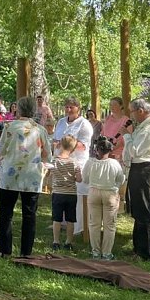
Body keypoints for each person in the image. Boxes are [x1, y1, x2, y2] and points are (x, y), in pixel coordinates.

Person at [0, 96, 52, 258]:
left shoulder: (10, 127)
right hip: (32, 176)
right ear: (33, 110)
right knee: (29, 215)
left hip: (10, 176)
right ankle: (26, 252)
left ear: (18, 109)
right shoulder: (40, 130)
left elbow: (0, 151)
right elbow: (47, 155)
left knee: (6, 214)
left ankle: (5, 250)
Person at [123, 98, 150, 261]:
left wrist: (127, 136)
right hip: (137, 169)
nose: (131, 115)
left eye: (132, 111)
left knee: (144, 212)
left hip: (145, 169)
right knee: (137, 210)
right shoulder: (143, 126)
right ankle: (137, 248)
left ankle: (146, 253)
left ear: (141, 111)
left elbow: (135, 150)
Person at [53, 96, 94, 236]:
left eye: (72, 107)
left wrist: (67, 144)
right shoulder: (61, 122)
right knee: (60, 193)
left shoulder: (84, 124)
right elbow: (54, 138)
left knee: (76, 195)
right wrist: (56, 144)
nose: (69, 110)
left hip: (77, 163)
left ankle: (77, 226)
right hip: (61, 162)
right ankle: (60, 222)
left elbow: (84, 146)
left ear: (78, 108)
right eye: (67, 107)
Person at [83, 136, 126, 260]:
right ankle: (107, 253)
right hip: (110, 193)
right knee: (109, 225)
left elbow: (85, 179)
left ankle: (95, 252)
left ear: (97, 150)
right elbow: (121, 179)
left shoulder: (90, 162)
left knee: (94, 224)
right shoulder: (114, 163)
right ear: (110, 150)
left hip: (94, 192)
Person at [50, 136, 82, 252]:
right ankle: (68, 241)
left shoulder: (55, 161)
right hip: (71, 194)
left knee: (56, 219)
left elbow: (50, 174)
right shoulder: (74, 162)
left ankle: (56, 241)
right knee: (70, 219)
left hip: (58, 193)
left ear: (60, 145)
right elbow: (79, 179)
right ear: (73, 149)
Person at [100, 97, 128, 162]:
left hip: (118, 155)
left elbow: (125, 139)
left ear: (121, 106)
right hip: (105, 153)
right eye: (110, 105)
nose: (111, 106)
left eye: (114, 104)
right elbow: (103, 133)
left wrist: (111, 149)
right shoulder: (107, 119)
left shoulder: (126, 121)